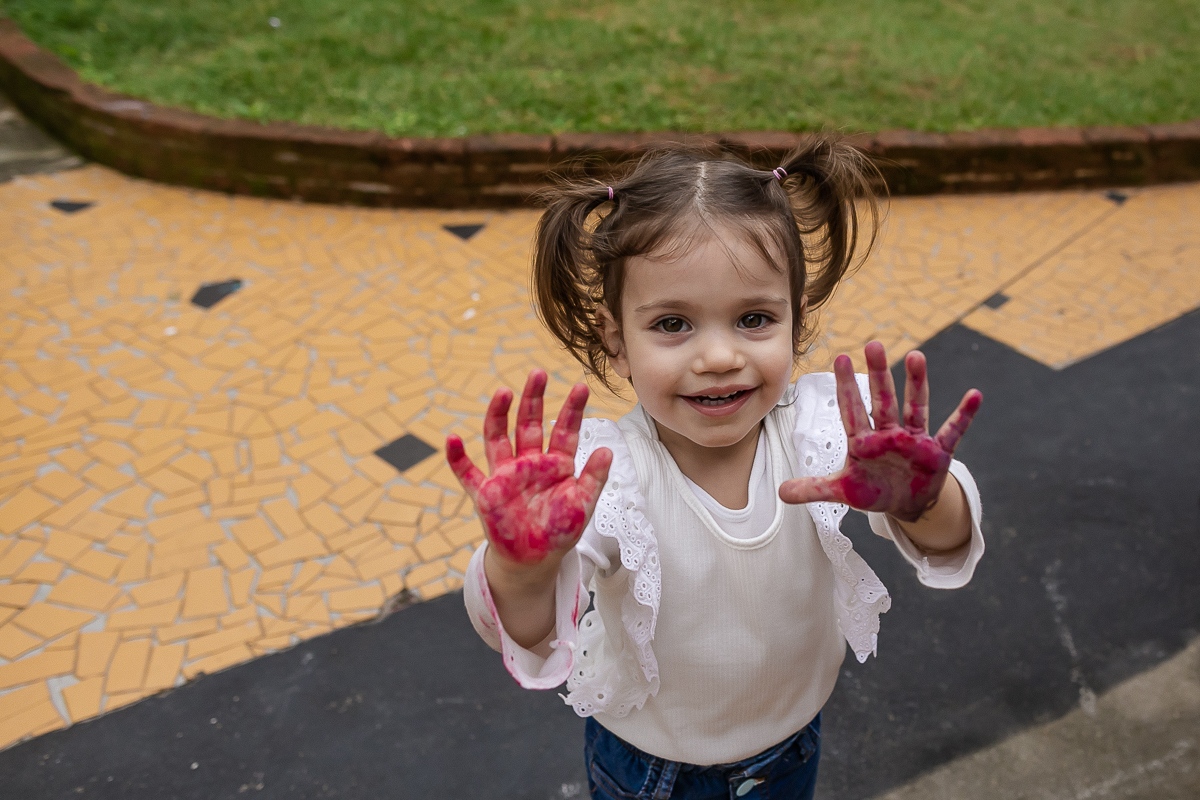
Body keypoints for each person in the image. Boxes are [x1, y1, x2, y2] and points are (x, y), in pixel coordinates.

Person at [445, 137, 985, 800]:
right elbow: (522, 632)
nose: (720, 355)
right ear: (617, 341)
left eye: (754, 318)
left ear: (797, 321)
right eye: (673, 323)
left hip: (790, 746)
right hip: (650, 770)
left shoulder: (825, 430)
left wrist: (924, 503)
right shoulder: (603, 478)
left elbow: (950, 543)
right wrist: (522, 568)